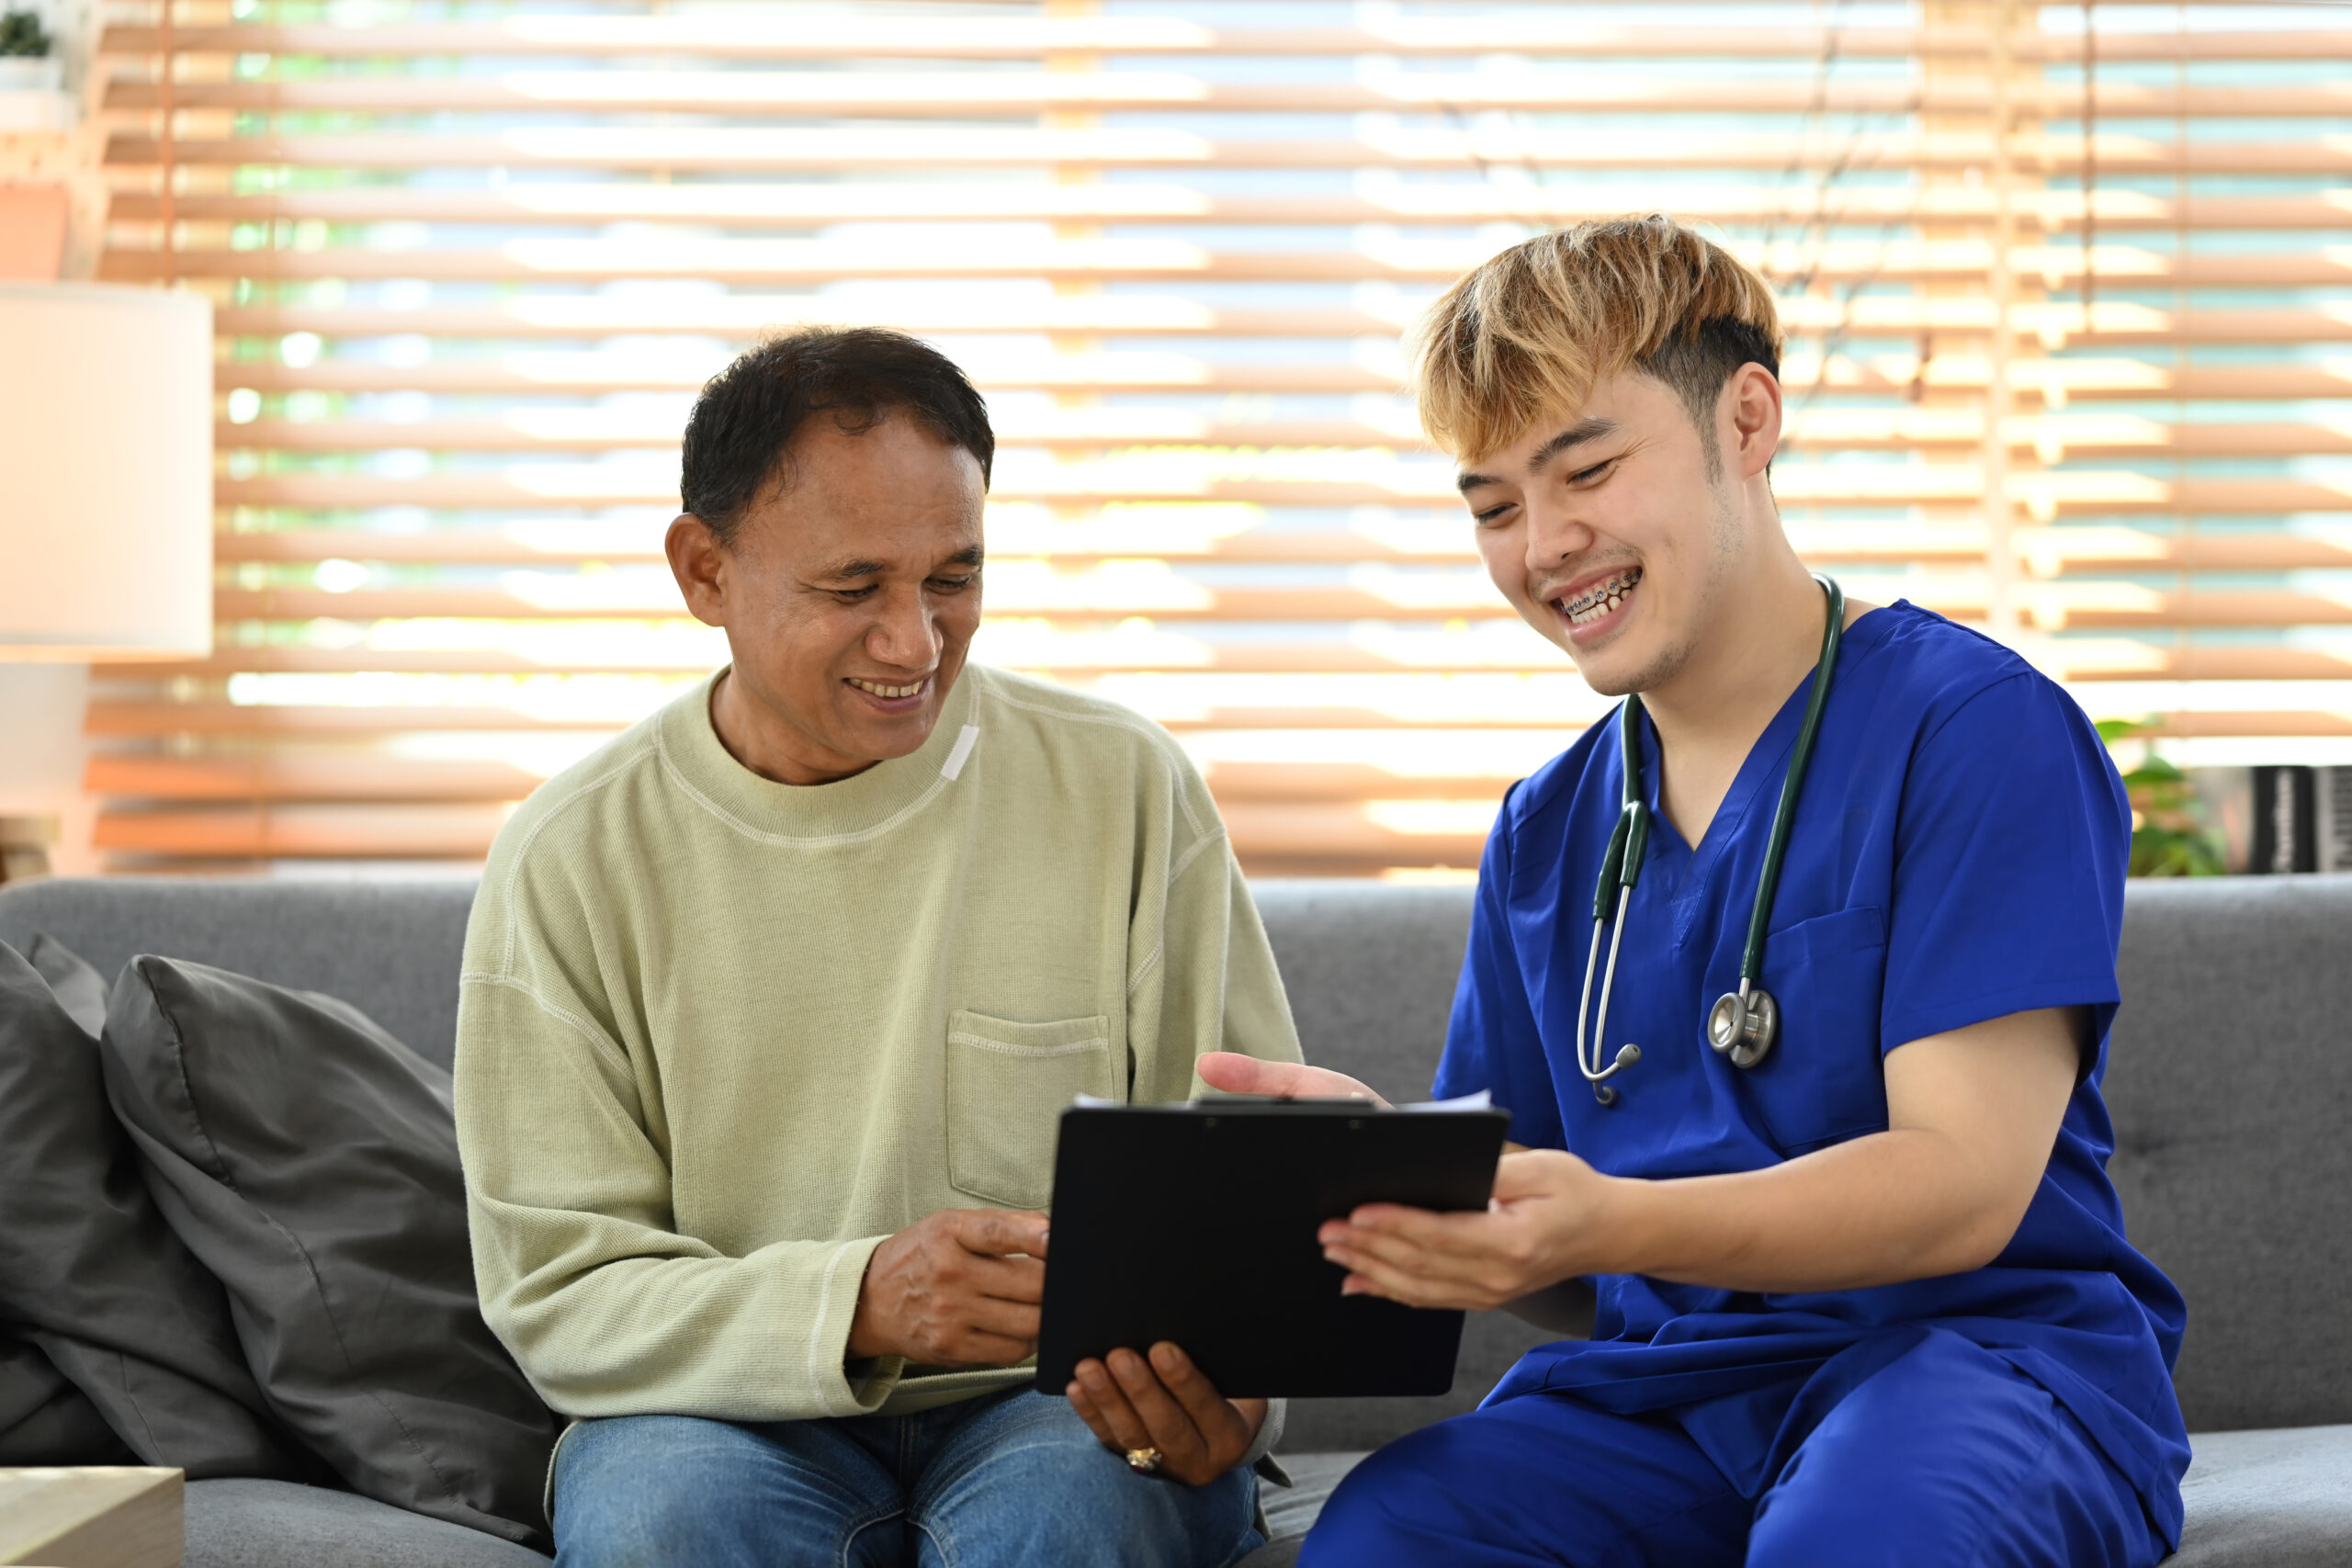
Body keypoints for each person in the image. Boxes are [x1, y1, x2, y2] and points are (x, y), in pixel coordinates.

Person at [1201, 216, 2189, 1567]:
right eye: (1493, 506)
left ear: (1748, 418)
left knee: (1858, 1542)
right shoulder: (1547, 829)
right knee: (1389, 1537)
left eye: (1589, 469)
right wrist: (1411, 1187)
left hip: (1968, 1367)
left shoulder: (1973, 732)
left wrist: (1619, 1217)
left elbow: (1964, 1186)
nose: (1545, 547)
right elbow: (1557, 1269)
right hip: (1672, 1402)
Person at [453, 326, 1302, 1568]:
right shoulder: (570, 852)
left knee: (1072, 1519)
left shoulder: (1124, 785)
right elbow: (560, 1290)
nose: (916, 642)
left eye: (953, 577)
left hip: (1058, 1404)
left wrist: (1240, 1381)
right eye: (854, 588)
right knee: (662, 1526)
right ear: (704, 571)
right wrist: (857, 1302)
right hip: (718, 1411)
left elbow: (1252, 1180)